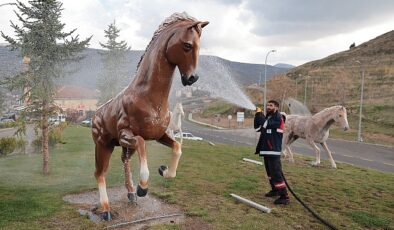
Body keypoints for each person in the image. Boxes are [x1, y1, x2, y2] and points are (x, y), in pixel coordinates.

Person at [254, 100, 289, 205]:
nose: (268, 107)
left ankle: (284, 196)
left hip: (273, 150)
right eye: (267, 105)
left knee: (276, 174)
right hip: (266, 150)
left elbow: (265, 124)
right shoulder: (268, 117)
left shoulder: (279, 117)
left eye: (271, 105)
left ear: (276, 107)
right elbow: (257, 126)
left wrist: (260, 114)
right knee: (270, 174)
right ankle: (275, 190)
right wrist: (257, 115)